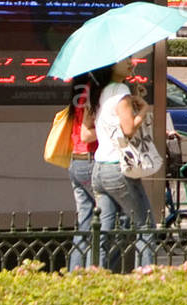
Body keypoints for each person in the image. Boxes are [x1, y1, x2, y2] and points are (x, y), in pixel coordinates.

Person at [89, 58, 162, 270]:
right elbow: (128, 129)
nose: (132, 63)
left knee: (101, 231)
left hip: (99, 169)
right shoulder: (121, 91)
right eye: (126, 60)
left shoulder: (100, 91)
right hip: (118, 168)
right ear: (111, 64)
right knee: (145, 226)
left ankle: (95, 277)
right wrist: (143, 110)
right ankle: (146, 279)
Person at [66, 73, 101, 270]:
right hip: (91, 159)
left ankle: (76, 273)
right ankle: (93, 271)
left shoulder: (79, 89)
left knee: (85, 223)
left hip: (76, 160)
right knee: (104, 220)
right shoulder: (94, 91)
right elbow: (87, 134)